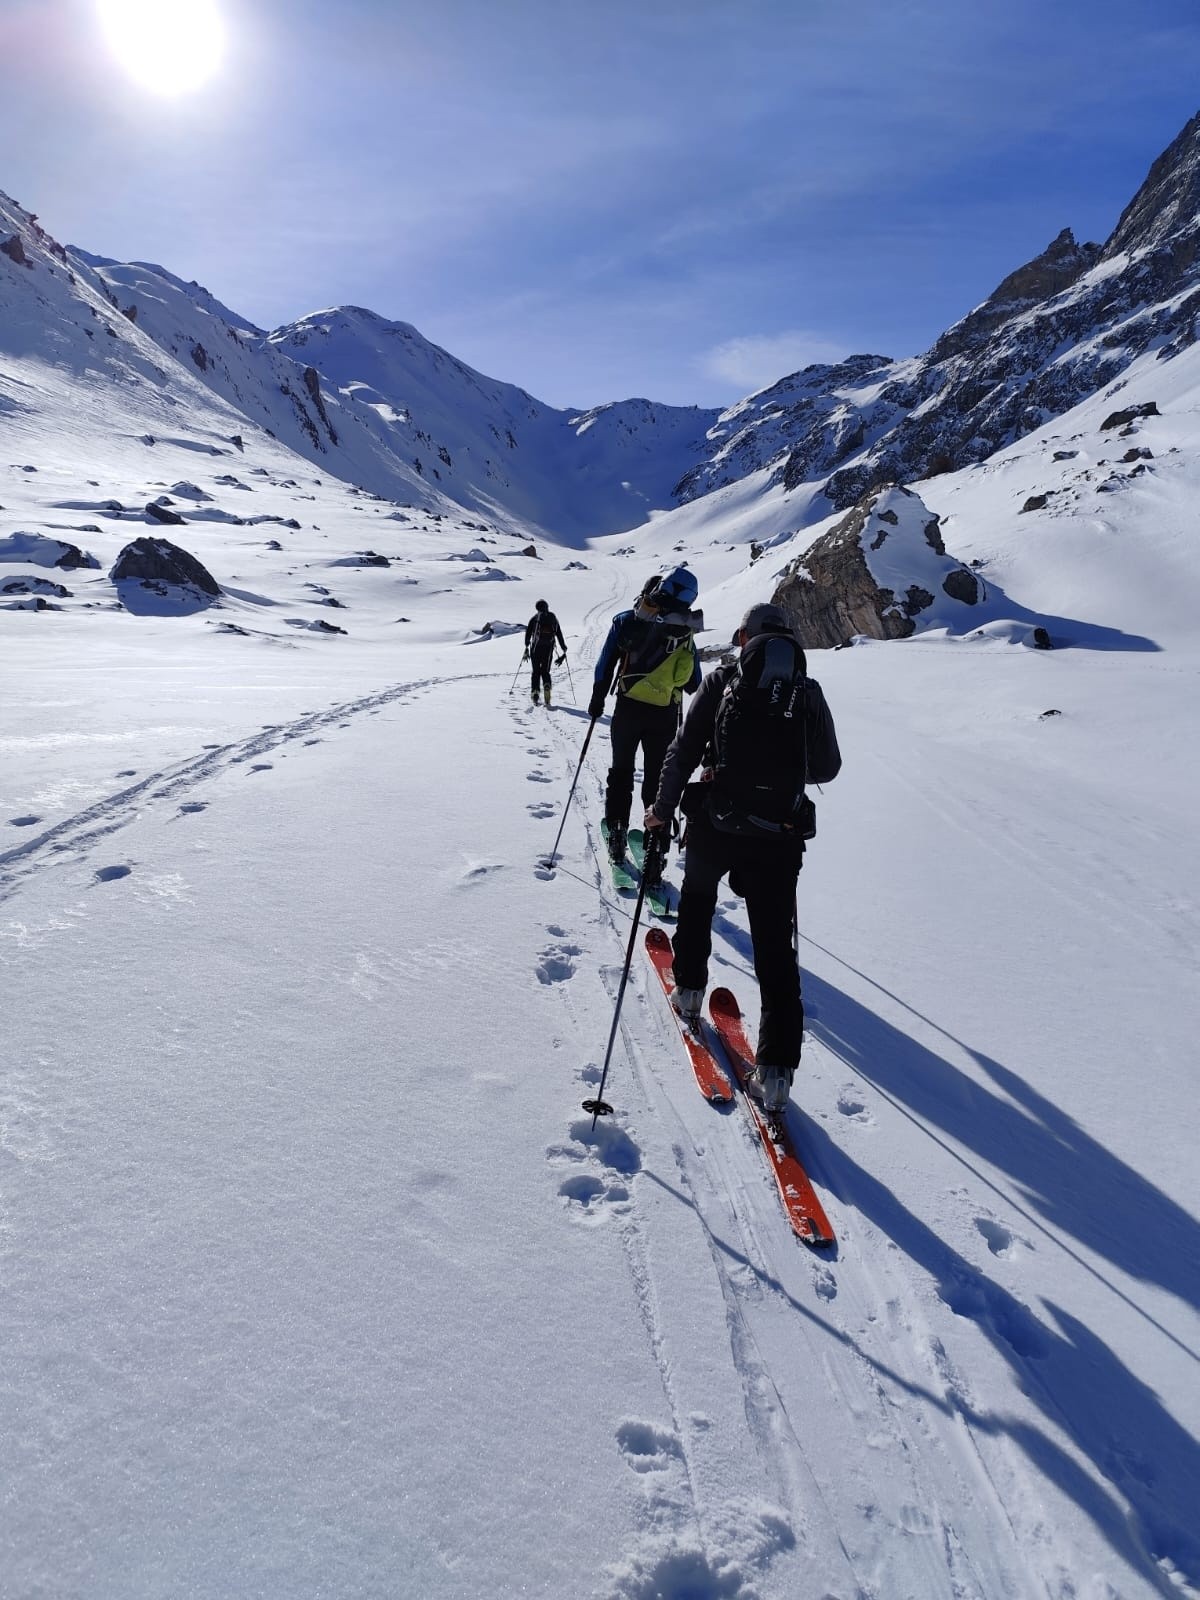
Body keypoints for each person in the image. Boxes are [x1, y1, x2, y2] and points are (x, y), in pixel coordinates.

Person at [644, 602, 841, 1115]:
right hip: (779, 832)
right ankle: (775, 1074)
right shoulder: (807, 692)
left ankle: (688, 991)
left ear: (744, 637)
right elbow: (828, 766)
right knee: (775, 948)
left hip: (717, 819)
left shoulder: (723, 681)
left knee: (698, 900)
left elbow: (683, 749)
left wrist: (662, 811)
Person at [588, 566, 703, 886]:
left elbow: (605, 663)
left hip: (627, 710)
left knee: (620, 773)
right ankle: (656, 852)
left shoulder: (628, 620)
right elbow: (694, 682)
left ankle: (616, 837)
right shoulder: (684, 629)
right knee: (657, 782)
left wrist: (598, 698)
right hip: (664, 715)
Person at [524, 599, 567, 706]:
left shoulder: (534, 619)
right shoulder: (553, 618)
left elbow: (528, 634)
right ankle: (547, 687)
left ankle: (535, 692)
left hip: (535, 649)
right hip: (548, 649)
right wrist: (563, 647)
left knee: (536, 672)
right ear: (547, 606)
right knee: (545, 671)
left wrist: (526, 646)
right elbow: (559, 633)